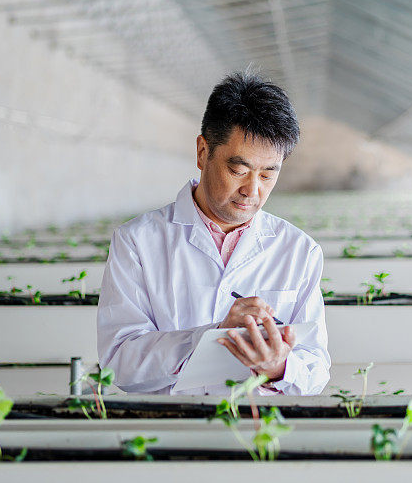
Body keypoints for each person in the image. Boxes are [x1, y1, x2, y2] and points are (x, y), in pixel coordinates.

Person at [96, 70, 330, 395]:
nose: (252, 190)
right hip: (170, 433)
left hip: (258, 433)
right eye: (238, 170)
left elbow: (316, 369)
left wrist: (279, 367)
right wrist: (212, 336)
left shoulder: (299, 251)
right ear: (203, 152)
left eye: (267, 175)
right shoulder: (136, 242)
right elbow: (119, 363)